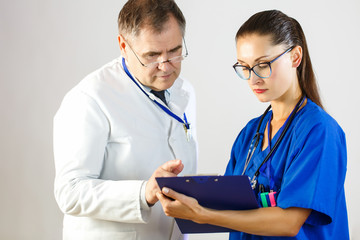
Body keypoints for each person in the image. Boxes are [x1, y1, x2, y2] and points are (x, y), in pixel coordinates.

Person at [157, 10, 349, 239]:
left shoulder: (319, 131)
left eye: (263, 64)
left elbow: (289, 222)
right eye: (245, 67)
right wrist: (177, 191)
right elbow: (224, 204)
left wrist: (204, 215)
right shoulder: (250, 134)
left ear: (295, 57)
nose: (253, 78)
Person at [53, 0, 197, 239]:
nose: (165, 66)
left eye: (174, 51)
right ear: (123, 45)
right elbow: (70, 191)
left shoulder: (186, 92)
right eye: (151, 55)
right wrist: (143, 192)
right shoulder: (89, 99)